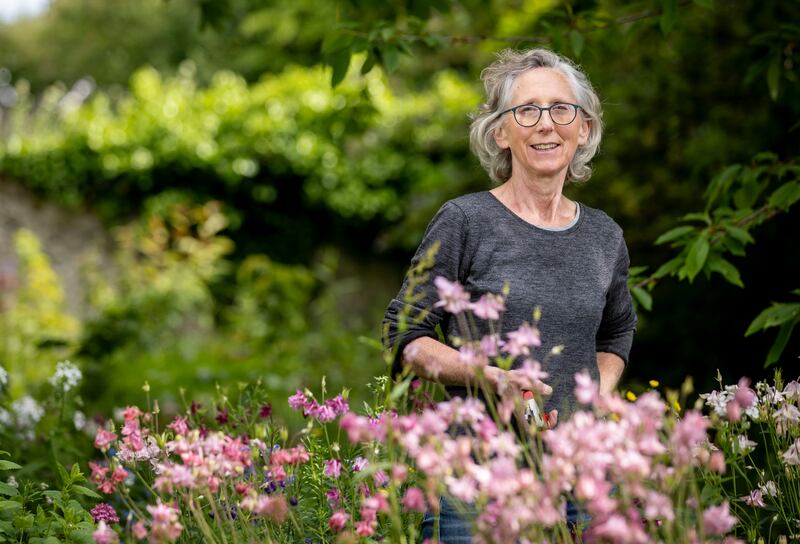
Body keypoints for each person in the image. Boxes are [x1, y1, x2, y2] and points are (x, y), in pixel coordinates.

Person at [382, 48, 637, 541]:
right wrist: (490, 377)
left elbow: (618, 330)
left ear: (583, 128)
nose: (546, 124)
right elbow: (404, 332)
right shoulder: (465, 221)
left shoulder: (605, 236)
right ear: (500, 132)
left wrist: (596, 399)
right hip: (477, 483)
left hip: (579, 485)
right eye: (527, 111)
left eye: (561, 109)